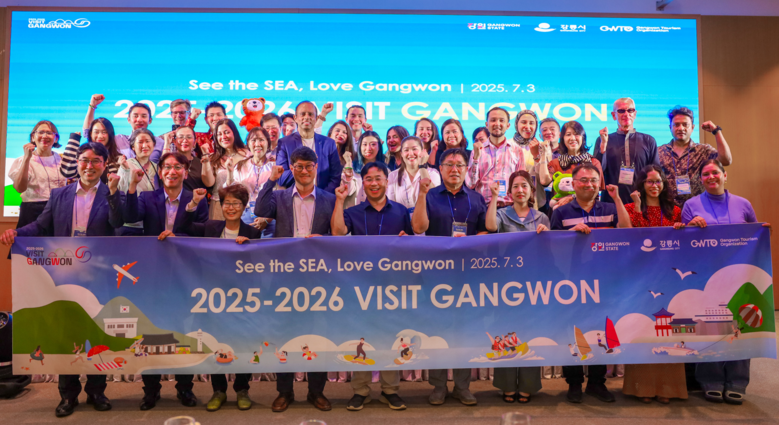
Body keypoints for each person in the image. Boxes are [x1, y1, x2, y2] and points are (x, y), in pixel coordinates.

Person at [1, 142, 124, 417]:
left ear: (105, 164)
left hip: (98, 274)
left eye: (96, 161)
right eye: (84, 160)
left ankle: (97, 392)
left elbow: (118, 224)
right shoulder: (59, 194)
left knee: (96, 333)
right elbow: (41, 225)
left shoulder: (112, 193)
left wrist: (115, 195)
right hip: (64, 275)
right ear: (77, 163)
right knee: (67, 335)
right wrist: (17, 233)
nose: (89, 166)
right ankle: (68, 395)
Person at [160, 184, 261, 411]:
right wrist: (194, 203)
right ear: (221, 206)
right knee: (216, 342)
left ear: (244, 206)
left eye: (236, 203)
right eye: (227, 203)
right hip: (211, 297)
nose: (231, 208)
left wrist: (249, 247)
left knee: (243, 342)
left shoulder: (252, 232)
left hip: (241, 298)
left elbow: (259, 263)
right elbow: (183, 226)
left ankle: (242, 390)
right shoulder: (211, 227)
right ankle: (219, 391)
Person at [681, 159, 769, 405]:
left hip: (739, 276)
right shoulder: (690, 205)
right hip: (705, 276)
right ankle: (710, 380)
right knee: (709, 326)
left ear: (724, 175)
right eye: (706, 174)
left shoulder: (743, 204)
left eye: (715, 173)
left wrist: (763, 232)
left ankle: (737, 381)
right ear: (701, 179)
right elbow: (682, 243)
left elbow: (753, 234)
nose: (711, 177)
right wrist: (690, 227)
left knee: (740, 325)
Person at [254, 146, 335, 412]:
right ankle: (284, 392)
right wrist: (271, 179)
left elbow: (338, 234)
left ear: (316, 167)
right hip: (285, 276)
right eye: (298, 166)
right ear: (292, 168)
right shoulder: (279, 196)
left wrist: (324, 239)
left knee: (318, 334)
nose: (303, 171)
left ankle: (316, 391)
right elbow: (260, 209)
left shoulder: (329, 199)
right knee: (283, 334)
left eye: (308, 166)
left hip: (318, 277)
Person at [331, 161, 411, 411]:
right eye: (369, 179)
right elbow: (337, 233)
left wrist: (406, 241)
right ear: (362, 183)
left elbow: (413, 245)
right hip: (361, 287)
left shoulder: (401, 211)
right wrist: (339, 200)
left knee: (391, 337)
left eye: (378, 179)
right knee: (361, 340)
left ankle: (390, 390)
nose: (374, 183)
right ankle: (360, 390)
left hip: (392, 288)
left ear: (387, 181)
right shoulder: (353, 211)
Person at [412, 148, 487, 406]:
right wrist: (421, 195)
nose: (454, 169)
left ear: (466, 169)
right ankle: (438, 386)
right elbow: (418, 227)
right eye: (449, 164)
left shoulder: (476, 198)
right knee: (437, 331)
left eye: (459, 165)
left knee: (464, 331)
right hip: (435, 276)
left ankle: (462, 386)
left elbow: (486, 232)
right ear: (440, 169)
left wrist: (471, 242)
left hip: (467, 276)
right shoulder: (430, 195)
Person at [550, 163, 630, 403]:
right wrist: (570, 233)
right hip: (572, 283)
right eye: (583, 180)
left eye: (594, 180)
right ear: (573, 184)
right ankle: (574, 383)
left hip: (605, 281)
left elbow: (626, 230)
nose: (589, 184)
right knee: (572, 332)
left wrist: (617, 199)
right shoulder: (561, 212)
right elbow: (550, 246)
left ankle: (597, 382)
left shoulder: (610, 208)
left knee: (602, 332)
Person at [619, 165, 686, 404]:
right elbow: (635, 237)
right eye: (649, 181)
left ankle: (668, 388)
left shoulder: (675, 211)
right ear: (641, 184)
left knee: (666, 332)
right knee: (642, 330)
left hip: (668, 278)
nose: (654, 185)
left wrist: (682, 230)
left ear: (664, 184)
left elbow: (682, 244)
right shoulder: (629, 208)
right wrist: (638, 208)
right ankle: (642, 388)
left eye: (658, 181)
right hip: (639, 278)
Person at [485, 170, 547, 403]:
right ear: (509, 191)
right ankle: (507, 384)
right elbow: (491, 227)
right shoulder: (502, 214)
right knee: (506, 333)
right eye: (515, 186)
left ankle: (528, 385)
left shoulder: (541, 218)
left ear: (531, 191)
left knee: (530, 334)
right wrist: (493, 197)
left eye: (524, 186)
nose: (520, 190)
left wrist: (547, 235)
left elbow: (548, 251)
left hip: (533, 285)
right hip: (506, 285)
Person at [467, 107, 550, 207]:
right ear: (487, 124)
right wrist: (475, 159)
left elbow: (521, 182)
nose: (497, 124)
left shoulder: (516, 150)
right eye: (493, 120)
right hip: (483, 206)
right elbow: (470, 184)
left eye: (501, 120)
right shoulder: (478, 150)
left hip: (510, 207)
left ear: (508, 125)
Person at [658, 106, 732, 207]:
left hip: (698, 208)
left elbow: (726, 160)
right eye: (676, 125)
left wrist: (716, 131)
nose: (681, 128)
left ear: (692, 128)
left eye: (685, 125)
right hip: (668, 209)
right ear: (670, 127)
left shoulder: (703, 150)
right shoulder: (660, 151)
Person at [9, 120, 77, 228]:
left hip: (59, 210)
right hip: (32, 211)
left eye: (49, 133)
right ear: (33, 137)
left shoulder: (62, 159)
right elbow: (19, 188)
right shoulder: (22, 160)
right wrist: (27, 158)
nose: (44, 136)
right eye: (40, 132)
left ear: (56, 138)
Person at [122, 152, 209, 236]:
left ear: (185, 174)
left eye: (177, 167)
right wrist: (133, 184)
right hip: (154, 246)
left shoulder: (197, 200)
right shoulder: (147, 198)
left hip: (184, 246)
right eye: (167, 167)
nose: (172, 172)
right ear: (160, 173)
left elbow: (202, 231)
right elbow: (130, 218)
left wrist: (176, 238)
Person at [594, 97, 659, 204]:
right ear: (614, 115)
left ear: (635, 114)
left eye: (630, 110)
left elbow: (655, 174)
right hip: (611, 203)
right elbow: (597, 173)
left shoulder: (648, 140)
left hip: (641, 203)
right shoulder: (603, 139)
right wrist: (603, 146)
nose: (626, 114)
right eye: (621, 111)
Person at [276, 101, 342, 194]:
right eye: (302, 114)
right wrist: (302, 165)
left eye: (310, 114)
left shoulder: (328, 143)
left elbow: (336, 177)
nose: (307, 117)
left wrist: (322, 196)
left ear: (316, 118)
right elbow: (281, 178)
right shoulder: (285, 143)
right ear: (295, 118)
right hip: (293, 198)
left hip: (323, 198)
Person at [85, 95, 164, 159]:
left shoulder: (160, 143)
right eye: (135, 116)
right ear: (128, 119)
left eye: (143, 116)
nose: (139, 120)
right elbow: (88, 133)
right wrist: (92, 106)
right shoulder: (118, 140)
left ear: (150, 120)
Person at [547, 121, 605, 206]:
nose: (573, 138)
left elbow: (595, 190)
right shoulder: (555, 163)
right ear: (563, 138)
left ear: (583, 137)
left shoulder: (593, 162)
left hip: (587, 209)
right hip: (561, 209)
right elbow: (545, 183)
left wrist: (572, 197)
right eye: (568, 134)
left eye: (576, 134)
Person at [204, 119, 250, 220]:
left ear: (234, 133)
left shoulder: (248, 155)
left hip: (244, 207)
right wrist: (205, 159)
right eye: (219, 134)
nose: (223, 137)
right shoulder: (213, 158)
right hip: (218, 207)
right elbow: (208, 183)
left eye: (226, 132)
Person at [117, 128, 160, 235]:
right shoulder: (126, 165)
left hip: (151, 225)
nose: (144, 145)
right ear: (133, 147)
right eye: (140, 142)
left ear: (153, 144)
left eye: (147, 141)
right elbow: (121, 192)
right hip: (130, 226)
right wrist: (125, 170)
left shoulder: (157, 168)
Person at [231, 127, 274, 234]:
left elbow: (281, 196)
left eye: (261, 140)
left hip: (270, 216)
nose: (257, 144)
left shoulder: (275, 166)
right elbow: (234, 194)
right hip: (246, 214)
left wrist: (267, 219)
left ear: (268, 143)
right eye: (253, 140)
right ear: (248, 145)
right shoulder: (240, 166)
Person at [387, 136, 442, 210]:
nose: (410, 153)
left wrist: (422, 166)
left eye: (414, 149)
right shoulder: (392, 176)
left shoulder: (433, 173)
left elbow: (434, 199)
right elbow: (391, 206)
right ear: (401, 154)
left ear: (423, 151)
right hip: (401, 217)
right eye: (406, 150)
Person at [165, 125, 214, 193]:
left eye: (189, 137)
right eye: (181, 137)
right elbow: (163, 169)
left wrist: (206, 155)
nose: (185, 140)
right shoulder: (171, 162)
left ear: (194, 142)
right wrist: (167, 143)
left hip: (199, 198)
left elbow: (209, 184)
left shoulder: (201, 162)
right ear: (174, 141)